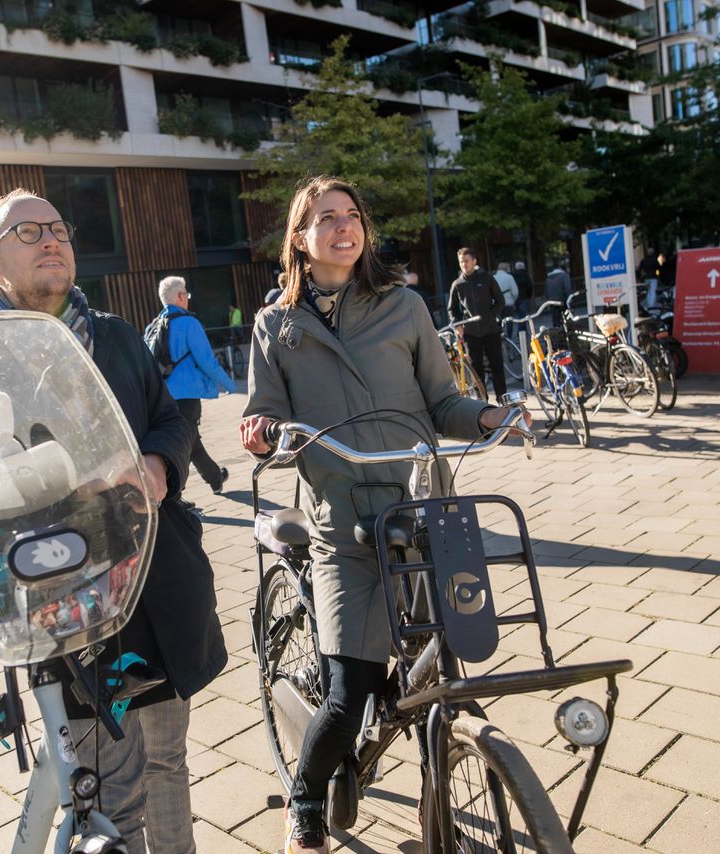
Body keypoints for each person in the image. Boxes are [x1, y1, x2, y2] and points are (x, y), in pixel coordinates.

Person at [239, 175, 526, 854]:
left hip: (422, 513)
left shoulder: (404, 306)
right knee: (349, 695)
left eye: (352, 215)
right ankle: (306, 802)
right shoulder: (277, 325)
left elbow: (443, 403)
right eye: (326, 218)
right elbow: (264, 415)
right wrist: (262, 433)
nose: (344, 226)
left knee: (439, 671)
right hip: (342, 527)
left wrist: (488, 416)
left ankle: (436, 777)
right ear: (300, 239)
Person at [0, 188, 227, 853]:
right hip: (63, 604)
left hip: (155, 585)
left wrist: (159, 465)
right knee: (107, 785)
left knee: (167, 760)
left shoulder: (115, 335)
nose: (50, 239)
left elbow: (170, 419)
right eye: (28, 231)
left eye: (58, 228)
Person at [155, 275, 235, 494]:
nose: (188, 299)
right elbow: (207, 361)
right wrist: (230, 385)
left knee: (191, 440)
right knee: (184, 444)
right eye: (186, 294)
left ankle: (215, 479)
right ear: (180, 296)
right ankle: (174, 494)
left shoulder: (154, 326)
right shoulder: (189, 324)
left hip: (163, 396)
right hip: (187, 396)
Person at [447, 248, 508, 399]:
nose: (464, 264)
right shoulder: (457, 284)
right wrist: (457, 324)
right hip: (471, 333)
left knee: (497, 366)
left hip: (491, 330)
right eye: (461, 262)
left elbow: (500, 300)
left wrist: (491, 316)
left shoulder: (486, 278)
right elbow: (451, 309)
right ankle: (482, 402)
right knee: (476, 370)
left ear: (474, 261)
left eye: (467, 261)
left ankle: (502, 399)